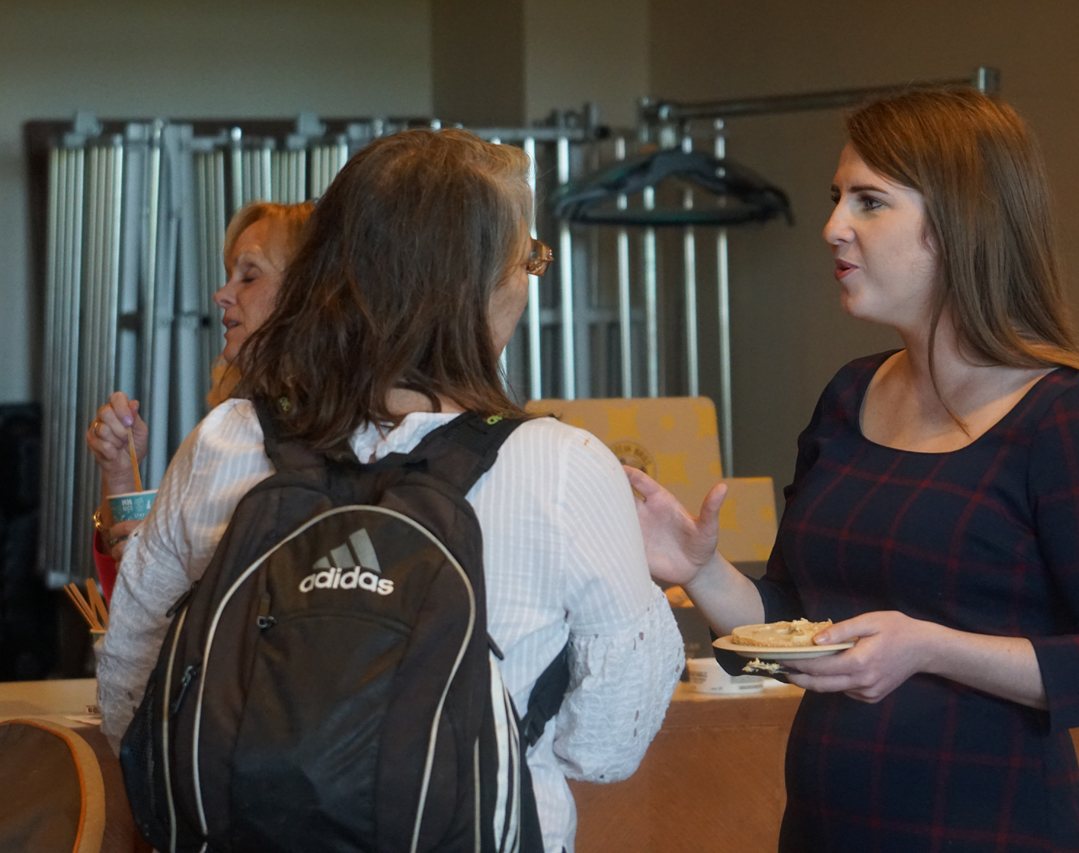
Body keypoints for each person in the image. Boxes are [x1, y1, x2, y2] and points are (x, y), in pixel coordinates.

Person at [96, 128, 684, 853]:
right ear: (483, 281)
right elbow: (605, 747)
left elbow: (132, 690)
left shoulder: (228, 440)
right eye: (529, 258)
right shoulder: (562, 465)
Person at [628, 88, 1079, 852]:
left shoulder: (1064, 417)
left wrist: (932, 645)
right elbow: (801, 628)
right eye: (836, 198)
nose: (832, 227)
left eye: (870, 202)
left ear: (959, 225)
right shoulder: (849, 396)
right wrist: (703, 569)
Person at [84, 201, 314, 594]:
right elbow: (130, 605)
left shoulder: (347, 438)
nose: (222, 294)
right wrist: (121, 473)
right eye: (229, 275)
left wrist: (174, 561)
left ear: (310, 291)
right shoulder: (233, 428)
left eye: (249, 275)